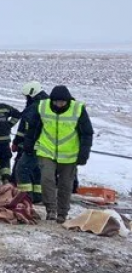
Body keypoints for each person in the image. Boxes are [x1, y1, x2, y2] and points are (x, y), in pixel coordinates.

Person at [23, 85, 93, 223]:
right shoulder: (43, 107)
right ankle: (51, 210)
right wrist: (28, 144)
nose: (59, 104)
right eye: (56, 102)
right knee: (47, 179)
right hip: (46, 150)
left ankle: (62, 213)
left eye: (62, 102)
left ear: (68, 100)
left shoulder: (78, 109)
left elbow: (87, 133)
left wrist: (84, 153)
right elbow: (33, 127)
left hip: (70, 155)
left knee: (66, 185)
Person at [12, 81, 49, 203]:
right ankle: (38, 196)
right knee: (37, 170)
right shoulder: (48, 104)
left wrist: (19, 142)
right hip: (47, 146)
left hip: (34, 145)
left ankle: (26, 196)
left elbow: (26, 128)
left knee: (22, 168)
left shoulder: (33, 108)